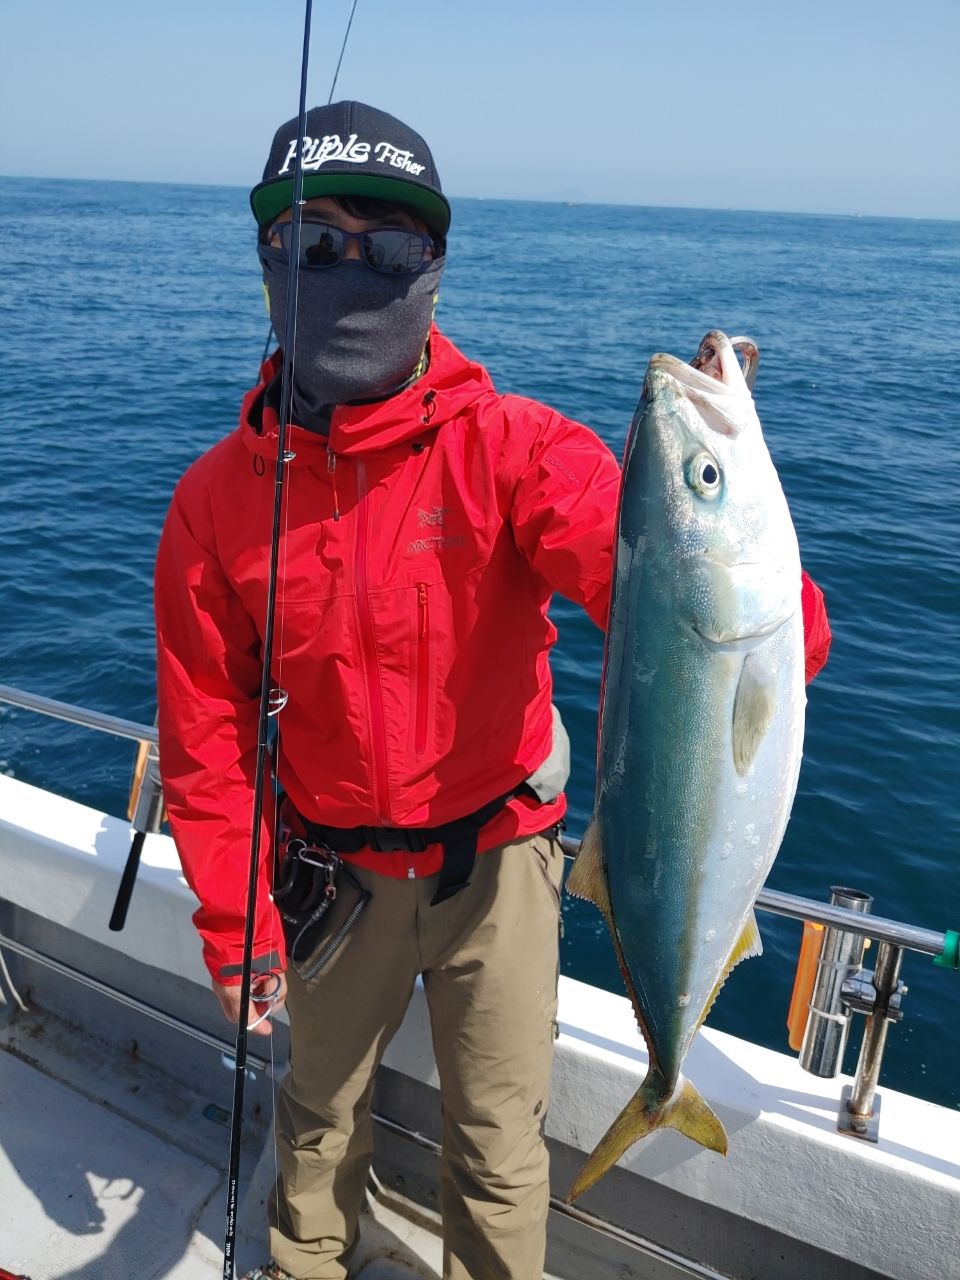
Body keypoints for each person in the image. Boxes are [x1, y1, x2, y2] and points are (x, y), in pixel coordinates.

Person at [154, 101, 832, 1280]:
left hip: (503, 869)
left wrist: (741, 560)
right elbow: (207, 734)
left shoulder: (517, 447)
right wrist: (236, 921)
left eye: (393, 247)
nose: (354, 269)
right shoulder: (216, 504)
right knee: (313, 1130)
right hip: (329, 878)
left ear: (436, 270)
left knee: (498, 1146)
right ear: (270, 261)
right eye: (318, 244)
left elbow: (722, 611)